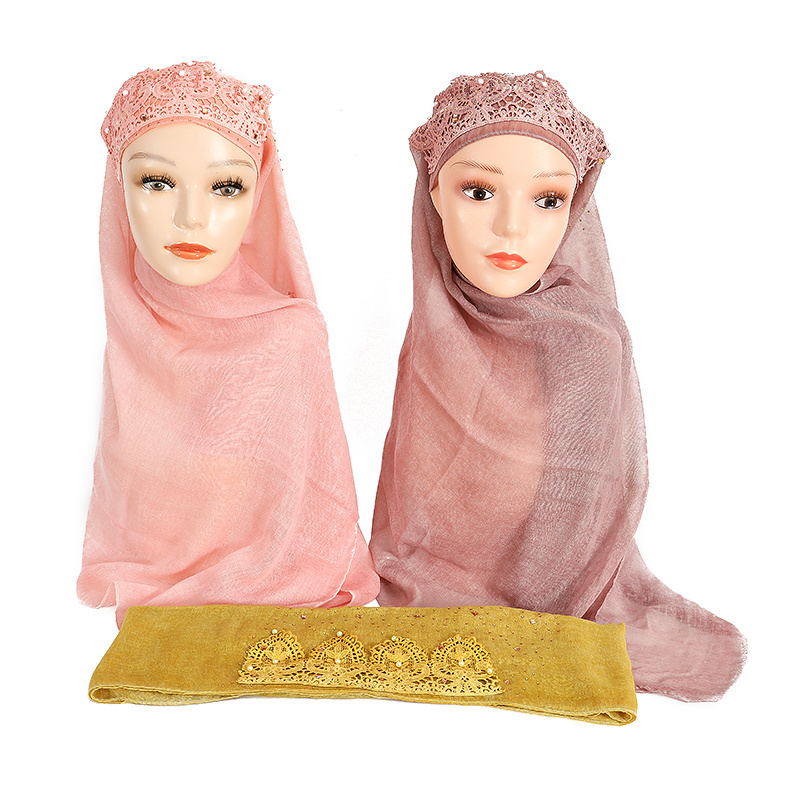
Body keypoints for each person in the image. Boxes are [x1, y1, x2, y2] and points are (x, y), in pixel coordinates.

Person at [370, 71, 745, 701]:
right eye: (479, 190)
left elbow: (574, 505)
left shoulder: (584, 341)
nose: (511, 228)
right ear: (433, 191)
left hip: (543, 596)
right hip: (415, 592)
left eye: (547, 199)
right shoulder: (437, 315)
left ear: (577, 204)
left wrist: (521, 624)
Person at [78, 62, 378, 626]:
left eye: (225, 187)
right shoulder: (132, 336)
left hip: (279, 620)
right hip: (155, 634)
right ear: (119, 187)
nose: (191, 218)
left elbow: (315, 517)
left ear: (257, 194)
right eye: (157, 182)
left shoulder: (288, 339)